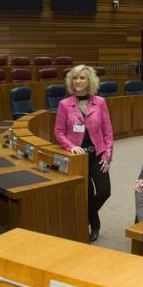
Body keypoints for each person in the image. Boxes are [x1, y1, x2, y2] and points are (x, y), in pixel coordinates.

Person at [54, 65, 113, 242]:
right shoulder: (64, 104)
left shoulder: (100, 102)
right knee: (86, 195)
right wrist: (70, 146)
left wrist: (107, 155)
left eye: (82, 78)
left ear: (90, 81)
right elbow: (59, 132)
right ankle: (94, 225)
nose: (78, 81)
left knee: (104, 191)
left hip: (97, 155)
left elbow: (108, 132)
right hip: (78, 158)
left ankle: (85, 216)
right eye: (75, 78)